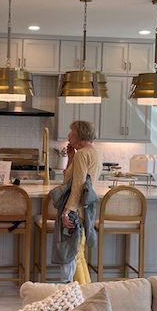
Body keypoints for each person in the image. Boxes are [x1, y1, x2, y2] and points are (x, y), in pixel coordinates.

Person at [54, 120, 102, 283]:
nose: (69, 135)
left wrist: (67, 211)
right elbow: (72, 177)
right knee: (79, 253)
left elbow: (78, 186)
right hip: (85, 208)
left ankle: (80, 291)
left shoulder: (82, 154)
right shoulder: (92, 152)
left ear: (79, 135)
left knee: (72, 254)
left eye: (72, 132)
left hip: (76, 209)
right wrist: (71, 158)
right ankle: (86, 289)